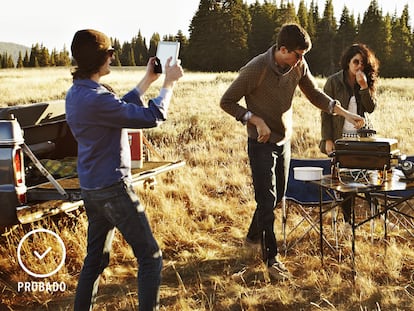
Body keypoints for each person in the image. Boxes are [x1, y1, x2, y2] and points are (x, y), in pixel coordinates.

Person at [220, 23, 365, 280]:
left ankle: (253, 237)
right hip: (260, 142)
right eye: (298, 54)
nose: (301, 60)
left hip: (283, 140)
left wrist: (344, 113)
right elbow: (227, 101)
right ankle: (271, 259)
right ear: (282, 49)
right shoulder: (256, 69)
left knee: (276, 199)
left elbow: (314, 95)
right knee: (266, 200)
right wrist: (254, 119)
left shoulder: (299, 65)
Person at [66, 29, 183, 311]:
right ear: (101, 58)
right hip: (113, 189)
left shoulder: (78, 93)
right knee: (150, 256)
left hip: (92, 189)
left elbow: (117, 107)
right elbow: (154, 116)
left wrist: (148, 80)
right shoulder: (97, 97)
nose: (113, 57)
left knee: (95, 260)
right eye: (110, 53)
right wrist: (168, 84)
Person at [320, 43, 379, 226]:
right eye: (356, 62)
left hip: (362, 139)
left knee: (367, 177)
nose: (359, 66)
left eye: (363, 63)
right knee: (346, 181)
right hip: (341, 137)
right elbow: (325, 112)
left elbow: (371, 108)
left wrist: (363, 87)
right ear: (347, 62)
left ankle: (377, 216)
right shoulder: (333, 82)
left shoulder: (366, 81)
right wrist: (327, 139)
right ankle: (348, 222)